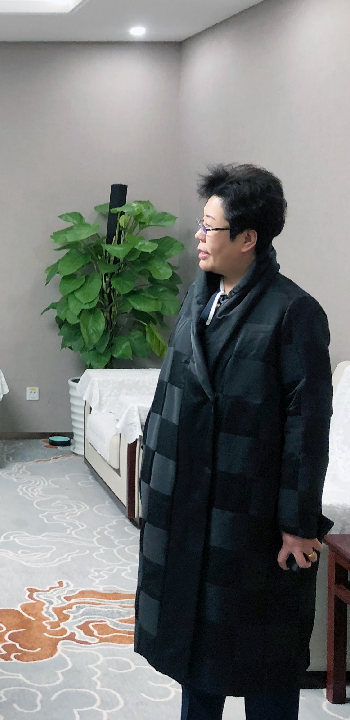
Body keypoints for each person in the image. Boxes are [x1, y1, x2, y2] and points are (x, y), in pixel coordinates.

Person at [135, 164, 333, 720]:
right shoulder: (198, 297)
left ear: (248, 239)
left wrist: (298, 522)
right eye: (201, 224)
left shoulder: (293, 312)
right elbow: (169, 392)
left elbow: (307, 426)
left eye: (209, 227)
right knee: (194, 651)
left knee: (261, 655)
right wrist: (153, 475)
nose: (198, 237)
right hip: (188, 503)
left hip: (248, 512)